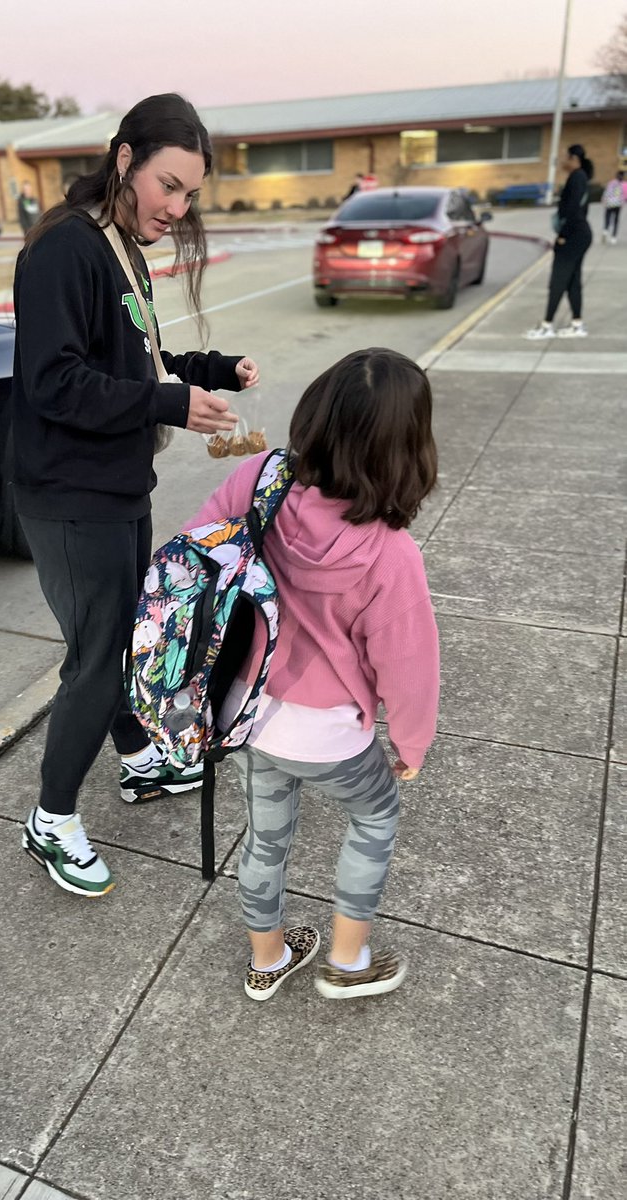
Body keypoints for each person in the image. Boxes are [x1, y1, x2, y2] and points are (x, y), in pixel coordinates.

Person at [12, 93, 259, 898]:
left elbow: (133, 360)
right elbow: (54, 383)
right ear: (124, 159)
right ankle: (50, 820)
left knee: (121, 637)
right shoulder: (64, 251)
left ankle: (139, 757)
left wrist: (209, 372)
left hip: (117, 483)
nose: (177, 206)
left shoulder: (121, 247)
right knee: (101, 657)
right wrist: (165, 405)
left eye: (190, 193)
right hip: (68, 493)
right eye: (168, 184)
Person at [183, 347, 440, 1001]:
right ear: (405, 448)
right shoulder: (389, 551)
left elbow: (195, 552)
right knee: (376, 817)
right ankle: (347, 962)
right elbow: (407, 665)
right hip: (329, 734)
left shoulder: (260, 481)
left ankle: (267, 960)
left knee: (266, 838)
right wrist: (411, 743)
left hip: (248, 710)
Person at [525, 143, 594, 339]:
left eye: (566, 157)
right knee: (572, 281)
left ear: (574, 159)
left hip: (573, 235)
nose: (563, 161)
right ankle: (577, 324)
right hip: (580, 234)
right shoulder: (581, 177)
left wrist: (563, 235)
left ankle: (547, 325)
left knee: (558, 280)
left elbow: (572, 209)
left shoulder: (577, 177)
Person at [601, 169, 624, 244]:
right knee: (616, 220)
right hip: (618, 204)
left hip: (610, 203)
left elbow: (607, 192)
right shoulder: (623, 185)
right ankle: (613, 237)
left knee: (607, 216)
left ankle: (605, 230)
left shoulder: (611, 183)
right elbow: (623, 195)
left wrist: (604, 199)